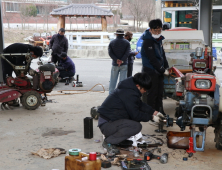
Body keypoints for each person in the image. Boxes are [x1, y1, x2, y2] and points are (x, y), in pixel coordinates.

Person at [97, 72, 164, 154]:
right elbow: (136, 115)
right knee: (136, 126)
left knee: (133, 121)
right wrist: (152, 117)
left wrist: (154, 112)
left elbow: (139, 104)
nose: (145, 91)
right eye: (145, 89)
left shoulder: (130, 88)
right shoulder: (128, 93)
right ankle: (109, 141)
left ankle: (119, 140)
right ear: (138, 86)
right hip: (106, 125)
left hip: (110, 121)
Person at [140, 19, 169, 126]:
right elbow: (152, 58)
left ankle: (159, 112)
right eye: (155, 30)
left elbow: (162, 55)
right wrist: (162, 69)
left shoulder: (159, 40)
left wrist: (166, 66)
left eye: (159, 30)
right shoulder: (147, 41)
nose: (158, 33)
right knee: (152, 94)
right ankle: (151, 116)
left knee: (159, 93)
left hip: (159, 70)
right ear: (151, 30)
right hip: (150, 70)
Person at [108, 28, 130, 94]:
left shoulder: (112, 42)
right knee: (122, 82)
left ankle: (111, 95)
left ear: (116, 34)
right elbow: (127, 53)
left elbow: (110, 53)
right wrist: (122, 60)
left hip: (115, 64)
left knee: (112, 81)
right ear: (123, 34)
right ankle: (122, 95)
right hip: (124, 64)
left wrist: (116, 60)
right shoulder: (127, 42)